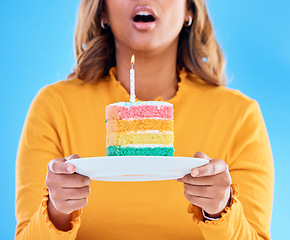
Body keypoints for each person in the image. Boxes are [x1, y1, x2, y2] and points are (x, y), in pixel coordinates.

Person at [15, 0, 274, 239]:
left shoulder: (240, 116)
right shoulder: (54, 107)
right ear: (102, 10)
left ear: (189, 10)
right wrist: (57, 211)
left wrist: (219, 210)